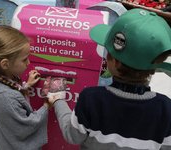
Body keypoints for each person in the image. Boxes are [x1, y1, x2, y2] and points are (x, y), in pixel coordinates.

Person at [48, 8, 171, 150]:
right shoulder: (166, 109)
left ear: (115, 62)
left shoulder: (91, 99)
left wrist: (58, 100)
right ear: (156, 67)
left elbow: (73, 136)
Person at [0, 25, 51, 150]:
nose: (28, 63)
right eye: (24, 59)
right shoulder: (6, 98)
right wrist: (46, 106)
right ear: (5, 64)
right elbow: (28, 125)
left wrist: (26, 85)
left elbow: (11, 92)